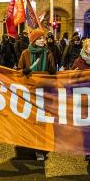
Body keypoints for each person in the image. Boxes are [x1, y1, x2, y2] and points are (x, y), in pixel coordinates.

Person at [17, 29, 57, 161]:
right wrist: (25, 71)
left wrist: (52, 71)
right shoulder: (25, 53)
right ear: (33, 40)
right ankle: (31, 144)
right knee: (31, 120)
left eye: (43, 38)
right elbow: (18, 71)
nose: (42, 41)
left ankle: (39, 148)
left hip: (44, 91)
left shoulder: (48, 52)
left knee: (41, 121)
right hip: (30, 91)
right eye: (39, 39)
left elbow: (53, 71)